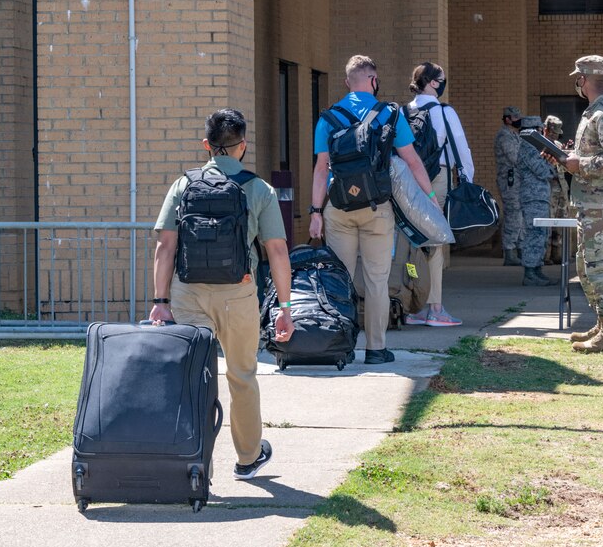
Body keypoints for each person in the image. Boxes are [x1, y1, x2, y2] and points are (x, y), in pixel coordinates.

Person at [149, 108, 294, 480]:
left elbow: (165, 246)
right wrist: (285, 307)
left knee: (192, 377)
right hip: (238, 294)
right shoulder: (260, 189)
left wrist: (160, 303)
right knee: (242, 375)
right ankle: (247, 458)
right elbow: (276, 250)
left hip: (188, 293)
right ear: (242, 146)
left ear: (207, 146)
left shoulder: (183, 185)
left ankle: (194, 461)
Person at [308, 55, 437, 365]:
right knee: (377, 280)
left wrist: (315, 212)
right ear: (373, 81)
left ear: (346, 83)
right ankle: (376, 349)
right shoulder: (390, 114)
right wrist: (430, 197)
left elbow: (321, 168)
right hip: (378, 208)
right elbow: (412, 161)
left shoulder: (328, 117)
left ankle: (342, 345)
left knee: (341, 278)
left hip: (338, 208)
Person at [544, 55, 603, 353]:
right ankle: (602, 323)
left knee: (602, 265)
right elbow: (591, 156)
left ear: (584, 80)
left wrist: (579, 163)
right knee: (587, 263)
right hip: (590, 201)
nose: (576, 83)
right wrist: (563, 157)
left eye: (577, 78)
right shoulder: (592, 114)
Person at [403, 61, 472, 326]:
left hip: (408, 181)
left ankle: (413, 304)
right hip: (437, 178)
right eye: (441, 79)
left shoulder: (405, 111)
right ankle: (435, 308)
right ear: (432, 83)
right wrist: (467, 178)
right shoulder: (444, 112)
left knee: (414, 242)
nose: (443, 83)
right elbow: (460, 150)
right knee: (436, 241)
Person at [518, 116, 559, 286]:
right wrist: (552, 166)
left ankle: (537, 270)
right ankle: (530, 272)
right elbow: (544, 171)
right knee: (535, 233)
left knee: (541, 233)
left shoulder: (535, 147)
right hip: (532, 197)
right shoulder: (528, 147)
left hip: (539, 196)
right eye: (540, 129)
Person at [494, 106, 524, 265]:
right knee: (513, 214)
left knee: (519, 215)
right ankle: (510, 251)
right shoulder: (504, 136)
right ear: (507, 119)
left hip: (517, 181)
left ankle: (518, 249)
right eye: (515, 117)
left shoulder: (515, 135)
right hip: (509, 181)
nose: (518, 120)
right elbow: (515, 157)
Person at [543, 115, 571, 265]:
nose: (554, 135)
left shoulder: (558, 145)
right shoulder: (541, 145)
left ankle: (557, 254)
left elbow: (564, 165)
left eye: (556, 133)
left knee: (561, 222)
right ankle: (545, 256)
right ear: (545, 129)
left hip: (561, 187)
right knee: (549, 222)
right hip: (549, 188)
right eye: (552, 132)